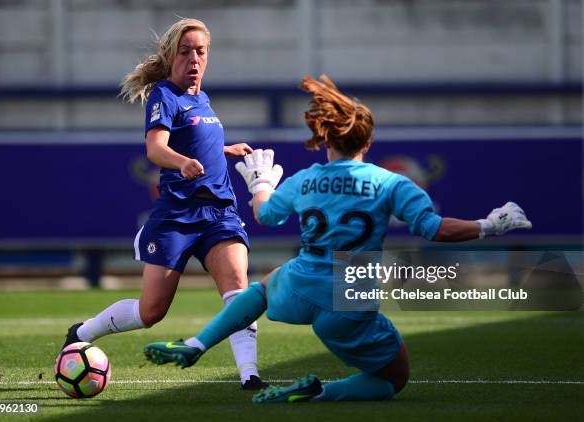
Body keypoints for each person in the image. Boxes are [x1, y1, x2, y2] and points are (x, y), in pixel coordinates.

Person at [143, 75, 532, 403]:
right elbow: (436, 229)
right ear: (368, 144)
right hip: (351, 298)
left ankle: (196, 344)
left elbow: (265, 214)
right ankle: (320, 393)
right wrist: (488, 225)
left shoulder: (306, 179)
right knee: (394, 378)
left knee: (261, 290)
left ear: (326, 138)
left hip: (302, 284)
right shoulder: (390, 182)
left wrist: (260, 183)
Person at [61, 18, 268, 390]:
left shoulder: (202, 99)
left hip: (219, 212)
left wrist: (224, 149)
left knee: (238, 286)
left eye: (200, 52)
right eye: (185, 51)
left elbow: (194, 140)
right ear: (172, 55)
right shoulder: (164, 95)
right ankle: (82, 330)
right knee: (150, 312)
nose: (193, 59)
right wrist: (182, 163)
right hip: (177, 215)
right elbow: (156, 148)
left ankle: (249, 375)